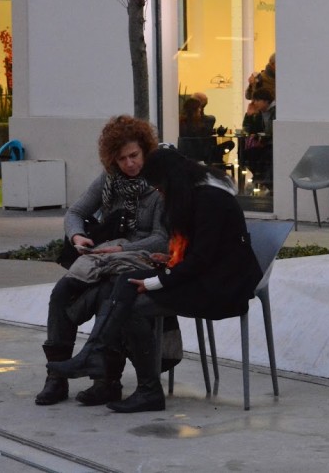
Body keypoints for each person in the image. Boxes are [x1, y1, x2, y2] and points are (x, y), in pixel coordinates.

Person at [47, 148, 263, 413]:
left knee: (133, 308)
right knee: (125, 282)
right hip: (204, 277)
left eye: (160, 188)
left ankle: (146, 389)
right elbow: (195, 255)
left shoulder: (211, 201)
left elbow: (201, 260)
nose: (159, 194)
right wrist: (169, 260)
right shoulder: (196, 197)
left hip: (223, 288)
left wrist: (154, 282)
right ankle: (95, 355)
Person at [36, 115, 168, 407]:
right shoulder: (109, 181)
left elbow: (162, 238)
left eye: (134, 156)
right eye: (122, 159)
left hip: (140, 260)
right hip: (102, 259)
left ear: (145, 151)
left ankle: (106, 381)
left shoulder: (160, 187)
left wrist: (121, 247)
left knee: (108, 295)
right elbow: (74, 213)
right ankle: (55, 378)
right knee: (61, 293)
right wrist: (77, 237)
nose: (129, 164)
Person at [242, 89, 275, 191]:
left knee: (263, 157)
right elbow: (247, 129)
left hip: (272, 144)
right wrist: (249, 115)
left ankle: (262, 182)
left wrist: (262, 139)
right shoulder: (259, 113)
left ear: (266, 101)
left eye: (257, 100)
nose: (254, 103)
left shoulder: (275, 111)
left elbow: (271, 131)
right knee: (245, 155)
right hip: (262, 144)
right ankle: (259, 180)